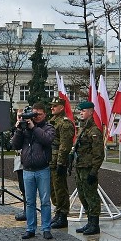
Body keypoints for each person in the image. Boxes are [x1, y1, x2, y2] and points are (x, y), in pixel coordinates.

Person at [11, 101, 55, 240]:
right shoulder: (25, 128)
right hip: (28, 170)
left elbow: (47, 140)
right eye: (34, 114)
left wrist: (34, 127)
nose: (36, 117)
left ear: (44, 114)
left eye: (39, 114)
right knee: (29, 201)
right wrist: (19, 129)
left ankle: (46, 228)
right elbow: (15, 145)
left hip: (43, 169)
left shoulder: (49, 127)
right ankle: (30, 229)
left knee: (45, 201)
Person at [72, 101, 105, 235]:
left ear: (91, 112)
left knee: (91, 196)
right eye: (80, 111)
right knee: (83, 195)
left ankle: (94, 224)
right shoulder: (83, 128)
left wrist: (93, 171)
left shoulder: (94, 131)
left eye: (83, 111)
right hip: (80, 167)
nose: (81, 113)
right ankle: (89, 221)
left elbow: (99, 154)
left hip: (88, 169)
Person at [49, 95, 75, 229]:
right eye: (51, 106)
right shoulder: (53, 121)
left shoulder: (65, 123)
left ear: (62, 108)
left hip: (58, 161)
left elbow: (64, 146)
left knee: (60, 188)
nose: (52, 108)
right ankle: (58, 212)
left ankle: (63, 215)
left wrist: (60, 163)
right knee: (53, 189)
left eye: (55, 106)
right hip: (50, 160)